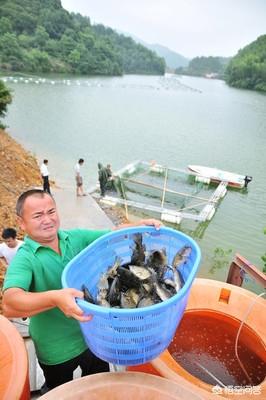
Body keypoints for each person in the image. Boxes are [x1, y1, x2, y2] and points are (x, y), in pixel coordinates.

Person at [2, 189, 161, 392]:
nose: (48, 219)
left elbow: (113, 234)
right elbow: (10, 304)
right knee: (60, 390)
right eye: (37, 215)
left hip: (92, 337)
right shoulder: (26, 258)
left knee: (98, 385)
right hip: (55, 348)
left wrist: (138, 225)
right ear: (21, 223)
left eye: (51, 211)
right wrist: (55, 298)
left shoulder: (73, 238)